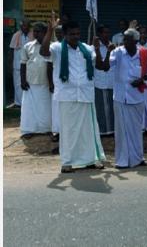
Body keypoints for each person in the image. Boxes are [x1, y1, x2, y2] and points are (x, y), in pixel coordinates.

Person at [40, 18, 105, 173]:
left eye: (77, 33)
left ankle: (90, 159)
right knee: (68, 130)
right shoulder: (56, 48)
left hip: (86, 95)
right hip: (66, 96)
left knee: (88, 130)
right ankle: (67, 162)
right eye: (71, 34)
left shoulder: (87, 49)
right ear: (64, 34)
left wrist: (97, 49)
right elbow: (43, 52)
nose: (75, 37)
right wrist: (49, 30)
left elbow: (101, 66)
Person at [109, 28, 147, 169]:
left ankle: (138, 158)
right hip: (121, 98)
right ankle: (122, 161)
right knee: (121, 131)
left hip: (137, 97)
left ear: (135, 41)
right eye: (123, 39)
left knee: (136, 130)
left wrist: (140, 80)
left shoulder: (144, 53)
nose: (123, 41)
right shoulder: (118, 52)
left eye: (127, 39)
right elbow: (106, 65)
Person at [20, 22, 52, 138]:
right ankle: (28, 129)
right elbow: (23, 64)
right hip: (30, 82)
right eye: (34, 31)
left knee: (45, 107)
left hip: (45, 82)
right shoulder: (27, 46)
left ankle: (47, 129)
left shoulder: (51, 46)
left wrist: (51, 83)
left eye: (38, 31)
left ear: (45, 33)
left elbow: (51, 65)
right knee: (29, 108)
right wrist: (22, 80)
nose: (36, 34)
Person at [93, 24, 116, 136]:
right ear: (99, 34)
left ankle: (112, 130)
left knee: (112, 107)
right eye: (104, 32)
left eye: (108, 32)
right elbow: (100, 65)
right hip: (100, 81)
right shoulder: (95, 47)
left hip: (112, 81)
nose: (106, 35)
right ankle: (103, 130)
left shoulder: (114, 47)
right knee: (101, 108)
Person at [9, 19, 33, 107]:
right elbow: (11, 50)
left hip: (30, 65)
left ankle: (28, 103)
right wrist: (11, 64)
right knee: (18, 84)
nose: (25, 28)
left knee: (29, 84)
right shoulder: (16, 35)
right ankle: (19, 103)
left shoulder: (33, 35)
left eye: (26, 26)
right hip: (17, 65)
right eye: (23, 26)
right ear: (21, 27)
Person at [49, 25, 63, 140]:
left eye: (61, 32)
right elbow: (49, 66)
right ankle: (57, 132)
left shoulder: (73, 46)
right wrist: (51, 83)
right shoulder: (53, 46)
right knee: (56, 108)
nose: (59, 34)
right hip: (57, 82)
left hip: (69, 85)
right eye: (57, 32)